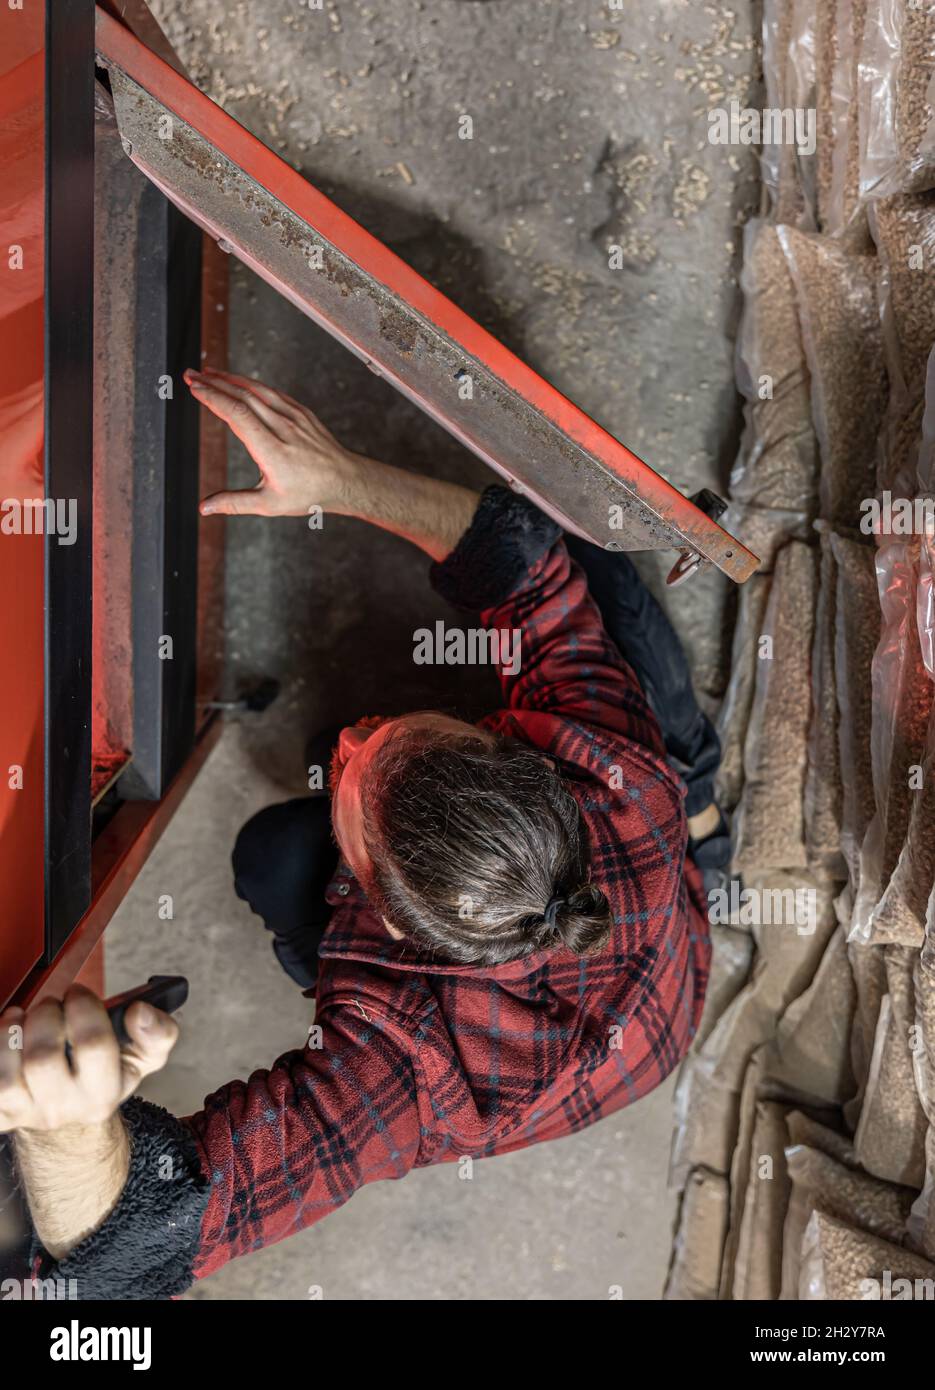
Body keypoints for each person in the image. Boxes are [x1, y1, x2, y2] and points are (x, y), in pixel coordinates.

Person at [2, 367, 728, 1298]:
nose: (350, 738)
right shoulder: (610, 772)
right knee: (600, 583)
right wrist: (341, 479)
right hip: (661, 997)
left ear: (384, 916)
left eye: (357, 771)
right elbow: (534, 575)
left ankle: (704, 817)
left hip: (631, 1019)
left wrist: (65, 1127)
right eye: (378, 742)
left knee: (270, 856)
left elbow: (132, 1262)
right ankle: (701, 821)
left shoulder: (407, 1074)